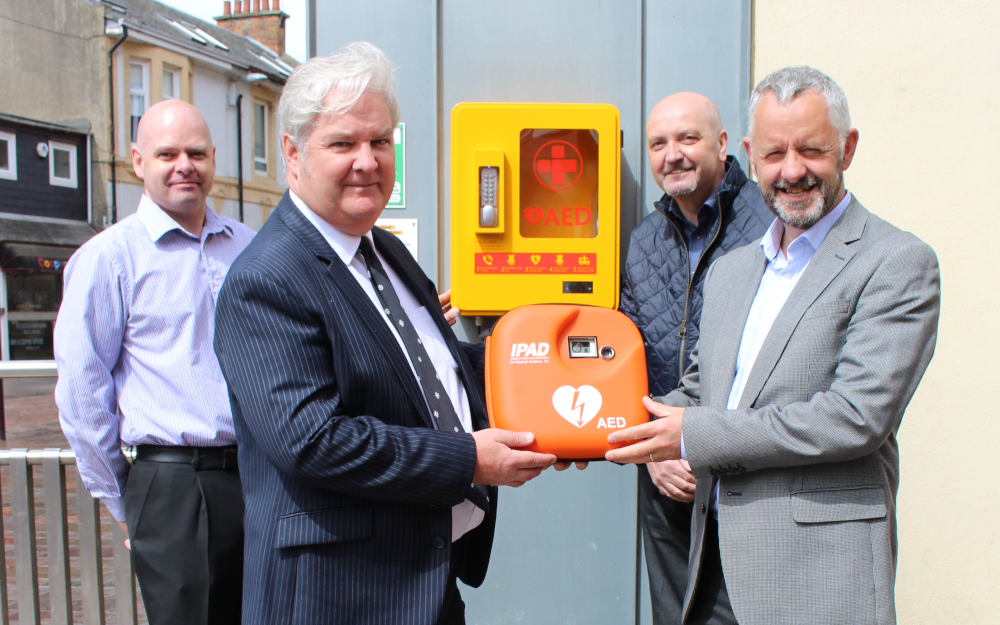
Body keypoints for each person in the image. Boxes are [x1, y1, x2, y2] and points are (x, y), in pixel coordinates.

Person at [212, 42, 559, 625]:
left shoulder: (384, 251)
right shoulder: (266, 278)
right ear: (293, 154)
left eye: (379, 141)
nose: (367, 161)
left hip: (424, 578)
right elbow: (312, 441)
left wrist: (553, 405)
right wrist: (468, 461)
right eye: (342, 144)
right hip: (337, 596)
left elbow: (435, 370)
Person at [606, 66, 940, 624]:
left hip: (815, 575)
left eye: (811, 150)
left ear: (847, 148)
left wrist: (689, 434)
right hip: (711, 568)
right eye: (774, 153)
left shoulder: (896, 261)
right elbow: (700, 390)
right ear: (749, 155)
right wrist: (599, 428)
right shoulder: (733, 271)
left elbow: (855, 418)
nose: (791, 171)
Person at [54, 99, 254, 624]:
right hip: (173, 485)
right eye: (167, 154)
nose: (184, 165)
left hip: (259, 475)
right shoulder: (108, 258)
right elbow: (81, 394)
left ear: (214, 159)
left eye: (196, 153)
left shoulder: (248, 247)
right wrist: (129, 503)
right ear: (138, 162)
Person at [620, 92, 771, 624]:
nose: (673, 155)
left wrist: (700, 441)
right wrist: (652, 451)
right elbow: (628, 356)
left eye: (688, 138)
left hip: (744, 468)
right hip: (665, 475)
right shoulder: (644, 239)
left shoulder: (770, 223)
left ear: (723, 144)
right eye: (658, 144)